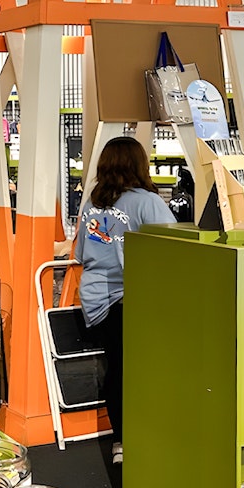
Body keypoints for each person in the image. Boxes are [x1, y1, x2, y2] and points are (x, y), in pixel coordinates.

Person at [75, 137, 175, 465]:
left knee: (116, 368)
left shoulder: (92, 203)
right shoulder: (148, 202)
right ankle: (142, 437)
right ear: (140, 164)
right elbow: (174, 249)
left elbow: (81, 254)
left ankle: (121, 441)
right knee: (138, 371)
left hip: (95, 300)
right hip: (131, 298)